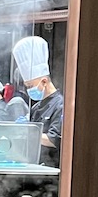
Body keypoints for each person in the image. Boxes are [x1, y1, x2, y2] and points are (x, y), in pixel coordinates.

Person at [11, 35, 65, 166]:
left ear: (44, 81)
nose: (29, 90)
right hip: (33, 166)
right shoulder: (36, 107)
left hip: (50, 169)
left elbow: (53, 140)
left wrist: (28, 130)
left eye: (30, 85)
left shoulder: (60, 105)